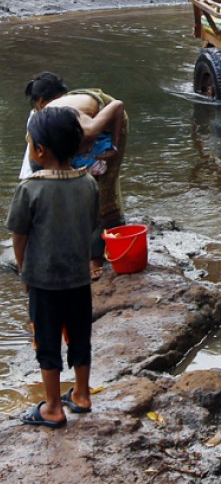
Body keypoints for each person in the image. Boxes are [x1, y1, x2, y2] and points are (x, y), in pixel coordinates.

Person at [7, 106, 100, 428]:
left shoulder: (30, 188)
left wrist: (24, 271)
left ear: (40, 150)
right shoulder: (88, 184)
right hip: (78, 278)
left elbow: (19, 237)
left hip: (44, 282)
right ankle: (82, 395)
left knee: (47, 342)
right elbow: (90, 225)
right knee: (80, 337)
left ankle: (52, 408)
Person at [22, 73, 127, 281]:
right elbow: (32, 173)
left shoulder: (87, 131)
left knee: (101, 191)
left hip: (110, 118)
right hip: (71, 128)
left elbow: (118, 105)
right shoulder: (37, 127)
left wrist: (113, 146)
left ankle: (99, 256)